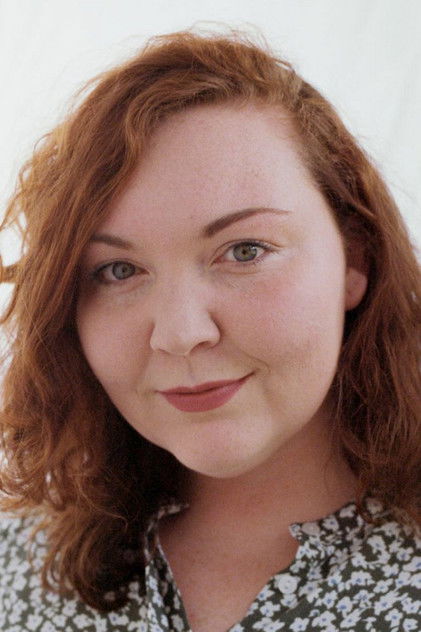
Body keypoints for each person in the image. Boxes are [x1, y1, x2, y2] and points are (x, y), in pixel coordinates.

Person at [0, 27, 420, 632]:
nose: (180, 334)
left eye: (245, 251)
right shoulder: (17, 572)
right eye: (119, 270)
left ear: (355, 259)